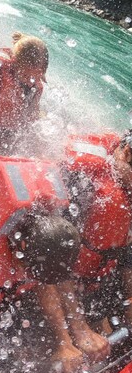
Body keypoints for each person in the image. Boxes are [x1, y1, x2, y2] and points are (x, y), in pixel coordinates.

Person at [0, 157, 104, 373]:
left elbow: (46, 281)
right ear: (20, 248)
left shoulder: (50, 235)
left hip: (3, 297)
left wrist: (67, 341)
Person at [60, 132, 132, 342]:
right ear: (127, 154)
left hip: (96, 279)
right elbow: (52, 257)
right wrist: (80, 330)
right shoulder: (85, 179)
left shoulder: (126, 187)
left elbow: (127, 252)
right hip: (54, 281)